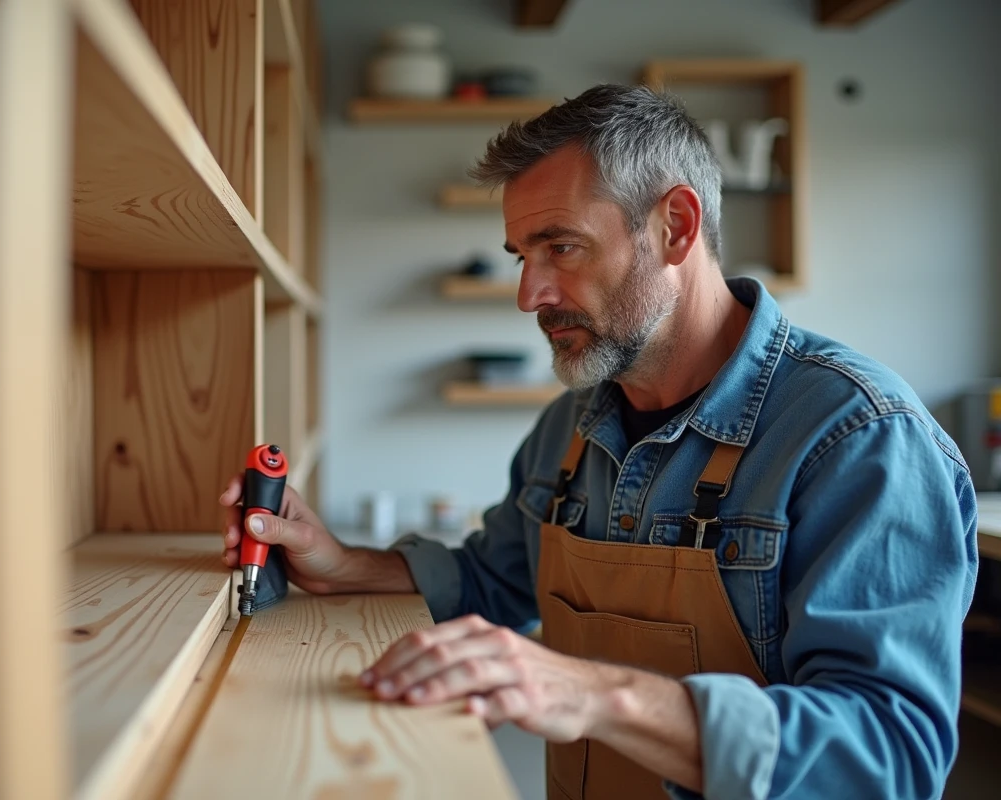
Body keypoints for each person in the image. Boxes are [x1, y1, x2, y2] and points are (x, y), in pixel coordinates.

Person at [219, 84, 980, 799]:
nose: (529, 296)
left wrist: (595, 693)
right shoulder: (572, 426)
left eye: (562, 248)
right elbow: (497, 582)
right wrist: (341, 563)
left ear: (675, 227)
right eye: (523, 256)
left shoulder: (860, 438)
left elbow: (890, 758)